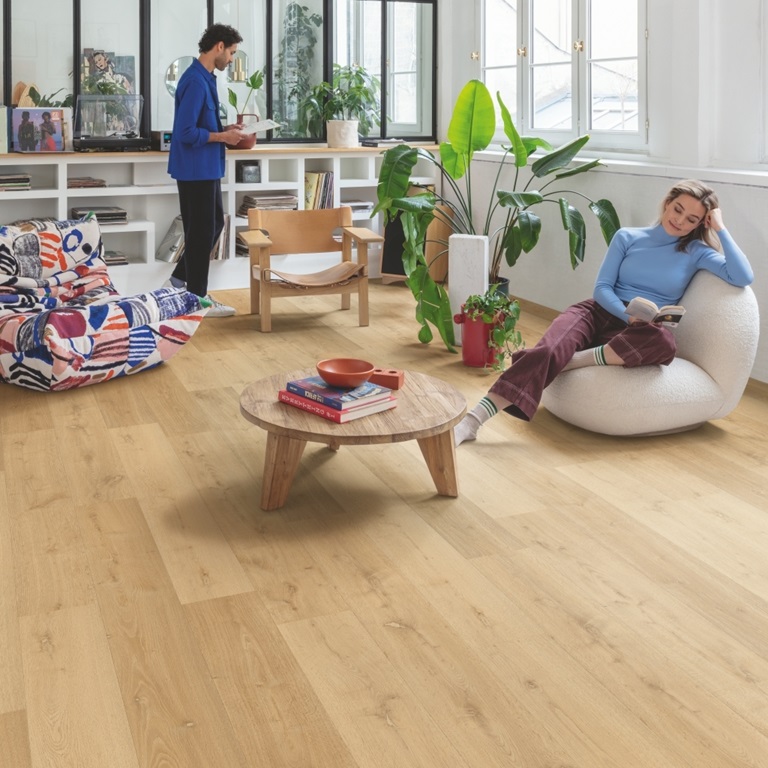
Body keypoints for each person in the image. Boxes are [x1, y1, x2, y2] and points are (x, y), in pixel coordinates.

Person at [454, 179, 755, 446]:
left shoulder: (697, 252)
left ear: (700, 224)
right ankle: (472, 422)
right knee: (548, 348)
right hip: (598, 312)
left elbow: (742, 276)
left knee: (664, 343)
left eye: (692, 219)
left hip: (641, 330)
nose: (680, 221)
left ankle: (567, 360)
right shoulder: (628, 237)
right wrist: (627, 315)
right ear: (667, 203)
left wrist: (720, 228)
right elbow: (602, 288)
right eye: (677, 209)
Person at [166, 23, 248, 317]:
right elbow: (185, 132)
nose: (232, 59)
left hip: (207, 168)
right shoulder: (194, 81)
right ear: (219, 47)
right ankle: (196, 299)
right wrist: (223, 137)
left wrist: (225, 129)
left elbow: (201, 124)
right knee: (201, 232)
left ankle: (178, 280)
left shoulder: (206, 78)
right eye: (232, 53)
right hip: (194, 170)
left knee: (213, 225)